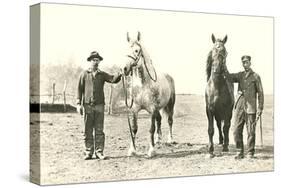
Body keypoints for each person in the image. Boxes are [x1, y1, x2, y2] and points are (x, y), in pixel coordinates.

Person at [76, 51, 122, 160]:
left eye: (97, 60)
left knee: (99, 130)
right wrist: (78, 104)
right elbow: (79, 90)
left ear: (99, 62)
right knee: (88, 130)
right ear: (90, 61)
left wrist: (120, 73)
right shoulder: (83, 74)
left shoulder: (102, 75)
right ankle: (88, 152)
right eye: (93, 60)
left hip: (100, 106)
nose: (95, 62)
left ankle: (99, 152)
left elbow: (112, 79)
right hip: (87, 106)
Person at [223, 55, 264, 159]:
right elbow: (229, 77)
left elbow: (260, 93)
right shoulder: (240, 75)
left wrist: (260, 108)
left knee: (251, 131)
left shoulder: (256, 76)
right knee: (236, 130)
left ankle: (250, 152)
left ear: (250, 63)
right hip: (240, 107)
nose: (245, 64)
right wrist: (223, 65)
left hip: (251, 108)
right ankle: (239, 151)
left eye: (246, 62)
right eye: (243, 62)